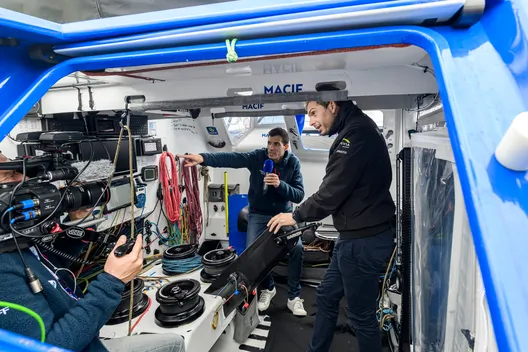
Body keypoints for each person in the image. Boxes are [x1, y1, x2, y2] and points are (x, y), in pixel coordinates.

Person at [0, 153, 185, 352]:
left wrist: (79, 223)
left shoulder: (14, 237)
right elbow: (50, 347)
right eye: (10, 175)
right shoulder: (4, 271)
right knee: (174, 344)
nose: (25, 179)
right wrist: (111, 282)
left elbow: (51, 267)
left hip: (90, 342)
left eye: (21, 171)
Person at [267, 97, 396, 352]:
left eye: (314, 113)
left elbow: (331, 192)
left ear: (333, 106)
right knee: (326, 296)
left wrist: (295, 215)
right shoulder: (357, 128)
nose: (311, 121)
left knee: (361, 316)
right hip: (353, 238)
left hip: (363, 241)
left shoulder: (355, 136)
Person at [178, 127, 307, 316]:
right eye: (269, 143)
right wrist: (203, 158)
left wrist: (281, 185)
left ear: (286, 146)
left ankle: (293, 297)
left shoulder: (293, 163)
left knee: (297, 249)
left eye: (276, 144)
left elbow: (299, 195)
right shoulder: (258, 157)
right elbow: (231, 159)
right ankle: (268, 289)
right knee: (252, 255)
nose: (271, 148)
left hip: (283, 215)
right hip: (258, 214)